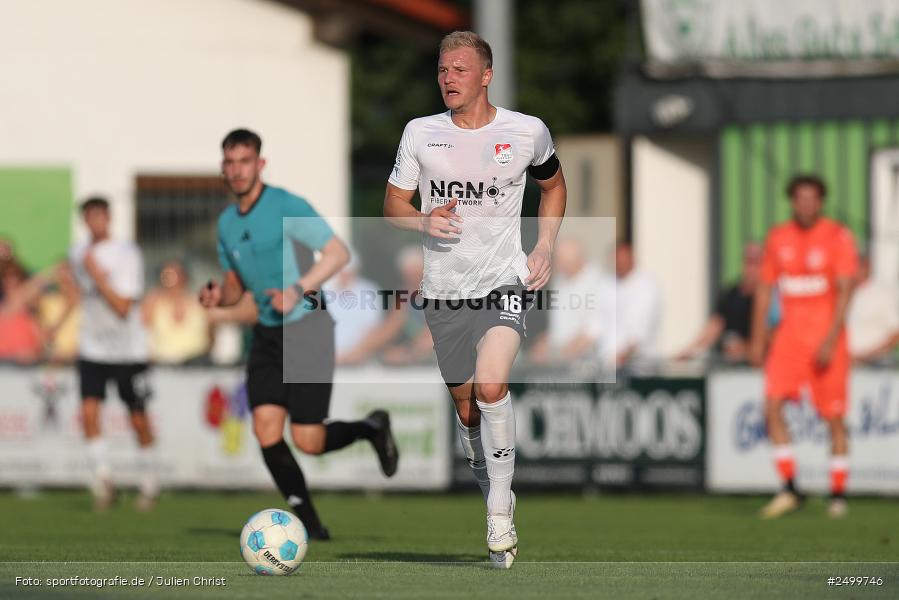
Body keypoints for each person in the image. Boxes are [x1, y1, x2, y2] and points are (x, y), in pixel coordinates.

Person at [383, 31, 566, 568]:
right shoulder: (420, 133)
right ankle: (489, 480)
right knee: (467, 412)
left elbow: (554, 187)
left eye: (460, 69)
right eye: (443, 70)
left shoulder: (526, 131)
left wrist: (545, 245)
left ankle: (499, 513)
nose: (448, 79)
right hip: (444, 292)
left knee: (491, 385)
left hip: (503, 281)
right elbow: (393, 206)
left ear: (486, 75)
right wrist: (423, 219)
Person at [199, 128, 398, 540]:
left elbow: (338, 254)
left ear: (260, 164)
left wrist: (297, 289)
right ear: (223, 168)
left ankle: (371, 428)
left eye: (244, 161)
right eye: (230, 163)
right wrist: (220, 296)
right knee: (266, 430)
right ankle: (309, 524)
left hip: (307, 328)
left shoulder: (286, 205)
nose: (237, 170)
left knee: (308, 440)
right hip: (267, 334)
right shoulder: (226, 223)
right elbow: (235, 284)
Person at [749, 174, 858, 519]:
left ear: (821, 201)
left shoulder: (838, 236)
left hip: (827, 341)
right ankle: (790, 488)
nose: (806, 204)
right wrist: (758, 338)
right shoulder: (778, 237)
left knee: (834, 417)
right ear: (792, 202)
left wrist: (831, 338)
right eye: (800, 198)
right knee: (771, 407)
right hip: (788, 340)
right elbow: (765, 289)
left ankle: (837, 493)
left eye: (812, 198)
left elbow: (845, 290)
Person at [69, 197, 158, 511]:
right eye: (89, 217)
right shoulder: (78, 252)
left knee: (138, 418)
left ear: (109, 218)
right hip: (92, 347)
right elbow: (78, 295)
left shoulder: (126, 253)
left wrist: (97, 275)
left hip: (127, 351)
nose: (95, 222)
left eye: (100, 216)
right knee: (88, 414)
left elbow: (122, 307)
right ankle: (104, 481)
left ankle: (148, 482)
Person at [676, 243, 762, 363]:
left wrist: (746, 348)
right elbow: (715, 325)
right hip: (730, 363)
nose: (751, 269)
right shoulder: (731, 294)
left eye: (756, 263)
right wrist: (690, 350)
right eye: (748, 262)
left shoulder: (771, 300)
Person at [529, 238, 609, 365]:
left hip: (586, 361)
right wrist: (546, 341)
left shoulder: (599, 283)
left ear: (579, 260)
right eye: (558, 263)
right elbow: (561, 323)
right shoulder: (560, 280)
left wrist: (562, 353)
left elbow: (595, 328)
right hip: (559, 359)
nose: (560, 267)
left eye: (565, 263)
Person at [604, 242, 661, 370]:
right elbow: (597, 324)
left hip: (640, 365)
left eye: (621, 260)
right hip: (612, 364)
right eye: (615, 260)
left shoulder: (646, 287)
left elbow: (639, 332)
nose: (619, 264)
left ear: (631, 259)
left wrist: (620, 357)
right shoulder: (609, 284)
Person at [142, 260, 211, 364]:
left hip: (197, 363)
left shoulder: (200, 303)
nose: (172, 278)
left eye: (176, 274)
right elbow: (138, 331)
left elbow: (213, 332)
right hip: (163, 363)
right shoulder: (153, 302)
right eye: (167, 274)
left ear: (185, 277)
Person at [846, 253, 899, 365]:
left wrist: (867, 356)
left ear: (866, 266)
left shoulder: (882, 294)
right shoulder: (844, 293)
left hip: (874, 365)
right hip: (846, 363)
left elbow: (895, 334)